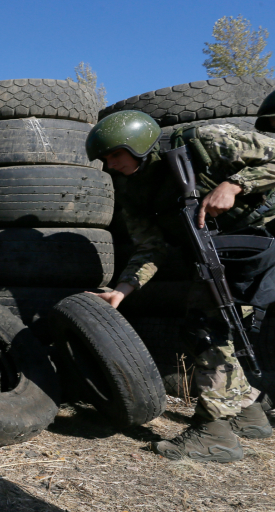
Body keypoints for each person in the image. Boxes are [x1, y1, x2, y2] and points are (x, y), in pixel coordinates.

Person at [86, 110, 275, 463]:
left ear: (138, 144)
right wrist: (122, 290)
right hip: (224, 256)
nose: (110, 165)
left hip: (265, 241)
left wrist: (235, 185)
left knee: (211, 331)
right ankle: (248, 414)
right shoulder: (135, 188)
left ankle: (213, 436)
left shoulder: (206, 142)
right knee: (213, 329)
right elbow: (149, 248)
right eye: (105, 159)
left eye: (115, 154)